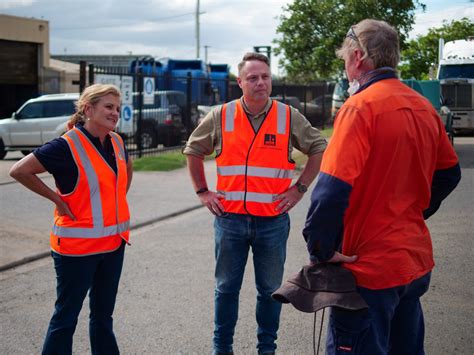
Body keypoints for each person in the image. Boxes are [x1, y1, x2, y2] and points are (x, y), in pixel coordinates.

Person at [302, 19, 461, 354]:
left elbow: (330, 191)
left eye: (345, 58)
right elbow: (449, 174)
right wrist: (412, 212)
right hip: (411, 262)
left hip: (369, 270)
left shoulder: (360, 107)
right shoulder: (422, 106)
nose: (345, 66)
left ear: (358, 56)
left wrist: (320, 248)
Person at [183, 52, 327, 354]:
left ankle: (266, 349)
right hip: (230, 220)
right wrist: (202, 192)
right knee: (225, 290)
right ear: (240, 82)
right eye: (253, 77)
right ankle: (222, 349)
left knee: (270, 292)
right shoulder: (221, 115)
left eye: (265, 76)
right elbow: (193, 150)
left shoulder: (288, 116)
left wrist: (299, 189)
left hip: (272, 221)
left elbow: (318, 148)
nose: (260, 82)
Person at [9, 84, 133, 355]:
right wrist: (56, 200)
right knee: (66, 318)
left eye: (116, 107)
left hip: (113, 245)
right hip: (77, 249)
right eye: (108, 107)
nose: (115, 113)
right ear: (88, 109)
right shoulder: (66, 145)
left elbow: (124, 174)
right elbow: (19, 170)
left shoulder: (117, 141)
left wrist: (115, 198)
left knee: (103, 316)